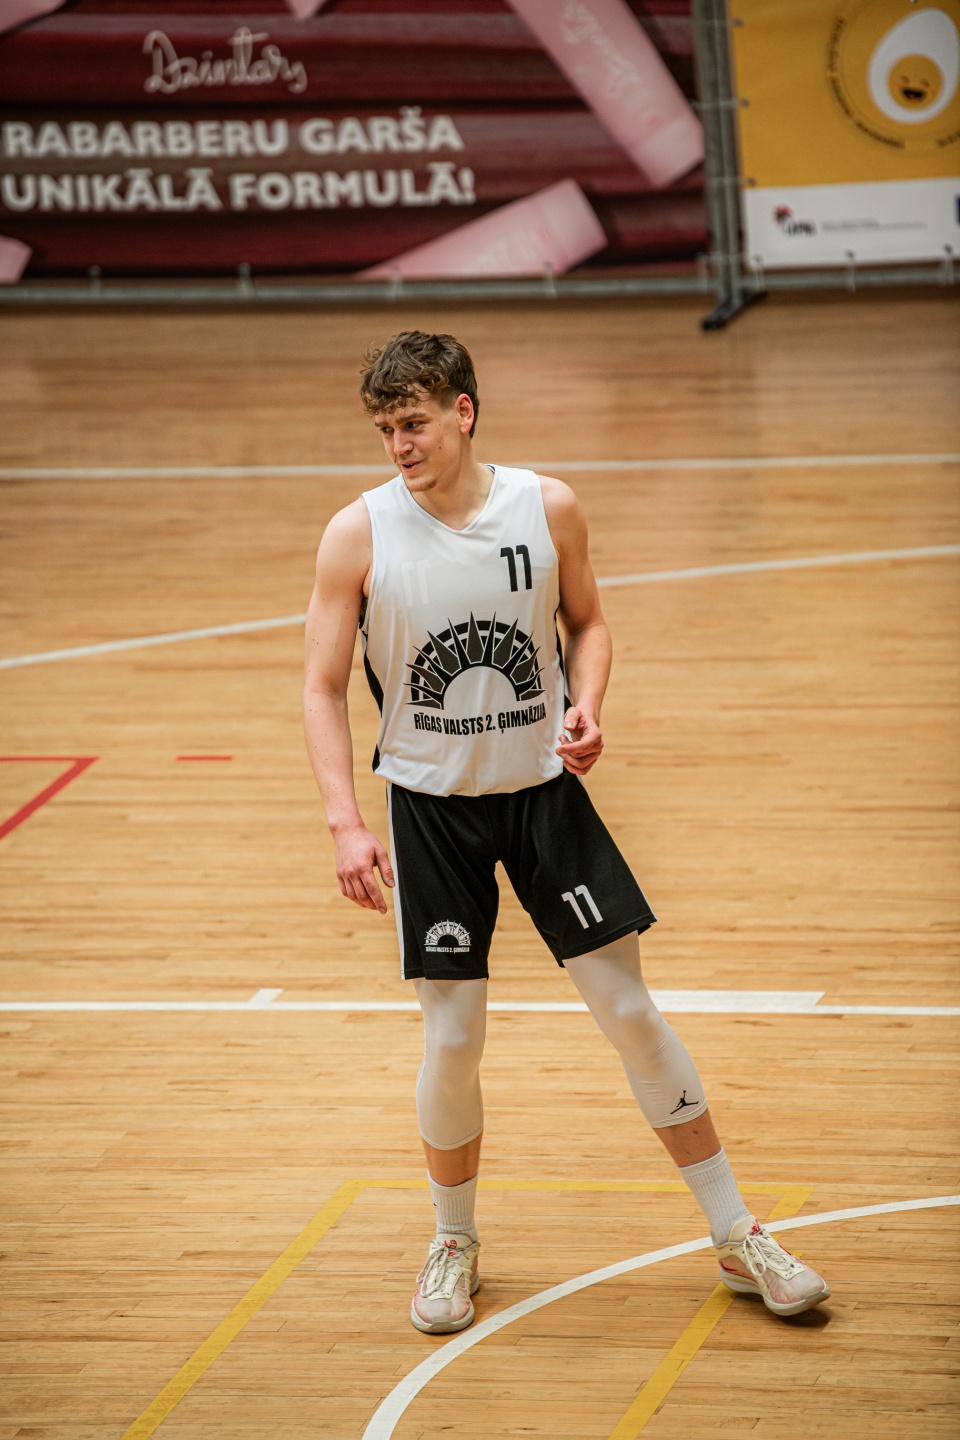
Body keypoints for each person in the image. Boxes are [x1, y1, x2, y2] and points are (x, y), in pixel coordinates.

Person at [303, 329, 829, 1335]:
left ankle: (736, 1232)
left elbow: (587, 623)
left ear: (463, 411)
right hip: (429, 810)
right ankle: (453, 1240)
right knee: (453, 1038)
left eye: (413, 423)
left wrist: (588, 704)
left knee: (629, 1011)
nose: (398, 446)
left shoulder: (546, 508)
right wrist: (343, 822)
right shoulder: (357, 535)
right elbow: (321, 688)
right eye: (384, 430)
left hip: (544, 795)